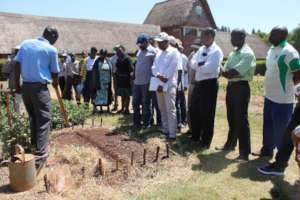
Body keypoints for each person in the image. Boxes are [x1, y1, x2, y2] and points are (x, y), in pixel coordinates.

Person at [14, 26, 60, 170]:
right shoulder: (51, 50)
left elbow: (16, 64)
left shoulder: (26, 44)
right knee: (44, 120)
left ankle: (35, 146)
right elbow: (55, 72)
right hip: (39, 88)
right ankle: (40, 158)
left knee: (34, 117)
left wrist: (17, 85)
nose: (55, 42)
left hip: (26, 87)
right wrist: (56, 84)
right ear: (52, 36)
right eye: (55, 39)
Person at [253, 26, 300, 158]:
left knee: (281, 130)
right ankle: (267, 150)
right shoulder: (272, 50)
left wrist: (290, 87)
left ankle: (281, 158)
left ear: (282, 36)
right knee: (268, 126)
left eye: (273, 34)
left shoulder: (290, 52)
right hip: (269, 96)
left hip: (283, 100)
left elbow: (298, 74)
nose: (269, 37)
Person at [218, 29, 256, 162]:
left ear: (242, 37)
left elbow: (230, 72)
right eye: (231, 37)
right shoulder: (234, 52)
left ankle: (244, 153)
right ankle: (230, 144)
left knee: (241, 119)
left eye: (233, 37)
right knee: (231, 117)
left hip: (241, 87)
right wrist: (225, 70)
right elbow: (226, 69)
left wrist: (222, 69)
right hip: (232, 87)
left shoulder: (247, 54)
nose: (231, 40)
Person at [189, 28, 224, 149]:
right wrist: (200, 65)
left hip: (209, 84)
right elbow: (192, 63)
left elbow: (210, 68)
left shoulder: (216, 51)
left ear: (210, 37)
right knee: (194, 110)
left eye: (203, 36)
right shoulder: (201, 49)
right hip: (199, 83)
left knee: (207, 113)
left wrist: (198, 66)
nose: (201, 39)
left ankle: (206, 141)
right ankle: (195, 136)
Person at [150, 32, 179, 140]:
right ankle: (166, 129)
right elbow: (154, 67)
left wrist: (163, 80)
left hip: (169, 84)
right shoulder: (158, 53)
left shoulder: (174, 52)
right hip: (158, 84)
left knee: (170, 108)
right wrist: (158, 75)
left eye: (160, 43)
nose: (158, 44)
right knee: (162, 108)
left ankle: (172, 133)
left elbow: (171, 69)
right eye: (157, 43)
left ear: (166, 42)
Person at [133, 33, 156, 129]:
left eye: (141, 44)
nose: (140, 46)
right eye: (139, 44)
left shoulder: (153, 52)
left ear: (147, 42)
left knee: (146, 103)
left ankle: (147, 123)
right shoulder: (139, 51)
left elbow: (156, 67)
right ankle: (136, 122)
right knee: (135, 103)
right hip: (137, 82)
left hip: (147, 82)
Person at [186, 39, 202, 134]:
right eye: (194, 48)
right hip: (191, 85)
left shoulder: (205, 56)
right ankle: (191, 128)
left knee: (198, 109)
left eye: (197, 49)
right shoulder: (192, 55)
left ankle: (198, 130)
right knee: (190, 108)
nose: (195, 50)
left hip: (200, 85)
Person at [2, 46, 23, 113]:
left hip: (15, 84)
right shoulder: (27, 58)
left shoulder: (11, 58)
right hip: (26, 84)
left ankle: (18, 118)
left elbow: (5, 72)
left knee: (17, 104)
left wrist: (9, 77)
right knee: (19, 104)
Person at [115, 45, 133, 114]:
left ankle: (127, 109)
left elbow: (131, 70)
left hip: (127, 80)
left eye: (119, 51)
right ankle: (122, 108)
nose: (118, 53)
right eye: (117, 52)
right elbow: (117, 69)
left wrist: (131, 79)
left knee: (127, 95)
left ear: (123, 51)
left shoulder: (128, 59)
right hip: (120, 80)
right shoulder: (118, 60)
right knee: (122, 95)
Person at [110, 46, 120, 112]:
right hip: (115, 75)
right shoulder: (112, 58)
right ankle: (116, 104)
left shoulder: (123, 57)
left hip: (122, 76)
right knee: (116, 90)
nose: (116, 50)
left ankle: (124, 107)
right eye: (116, 49)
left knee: (123, 91)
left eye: (118, 49)